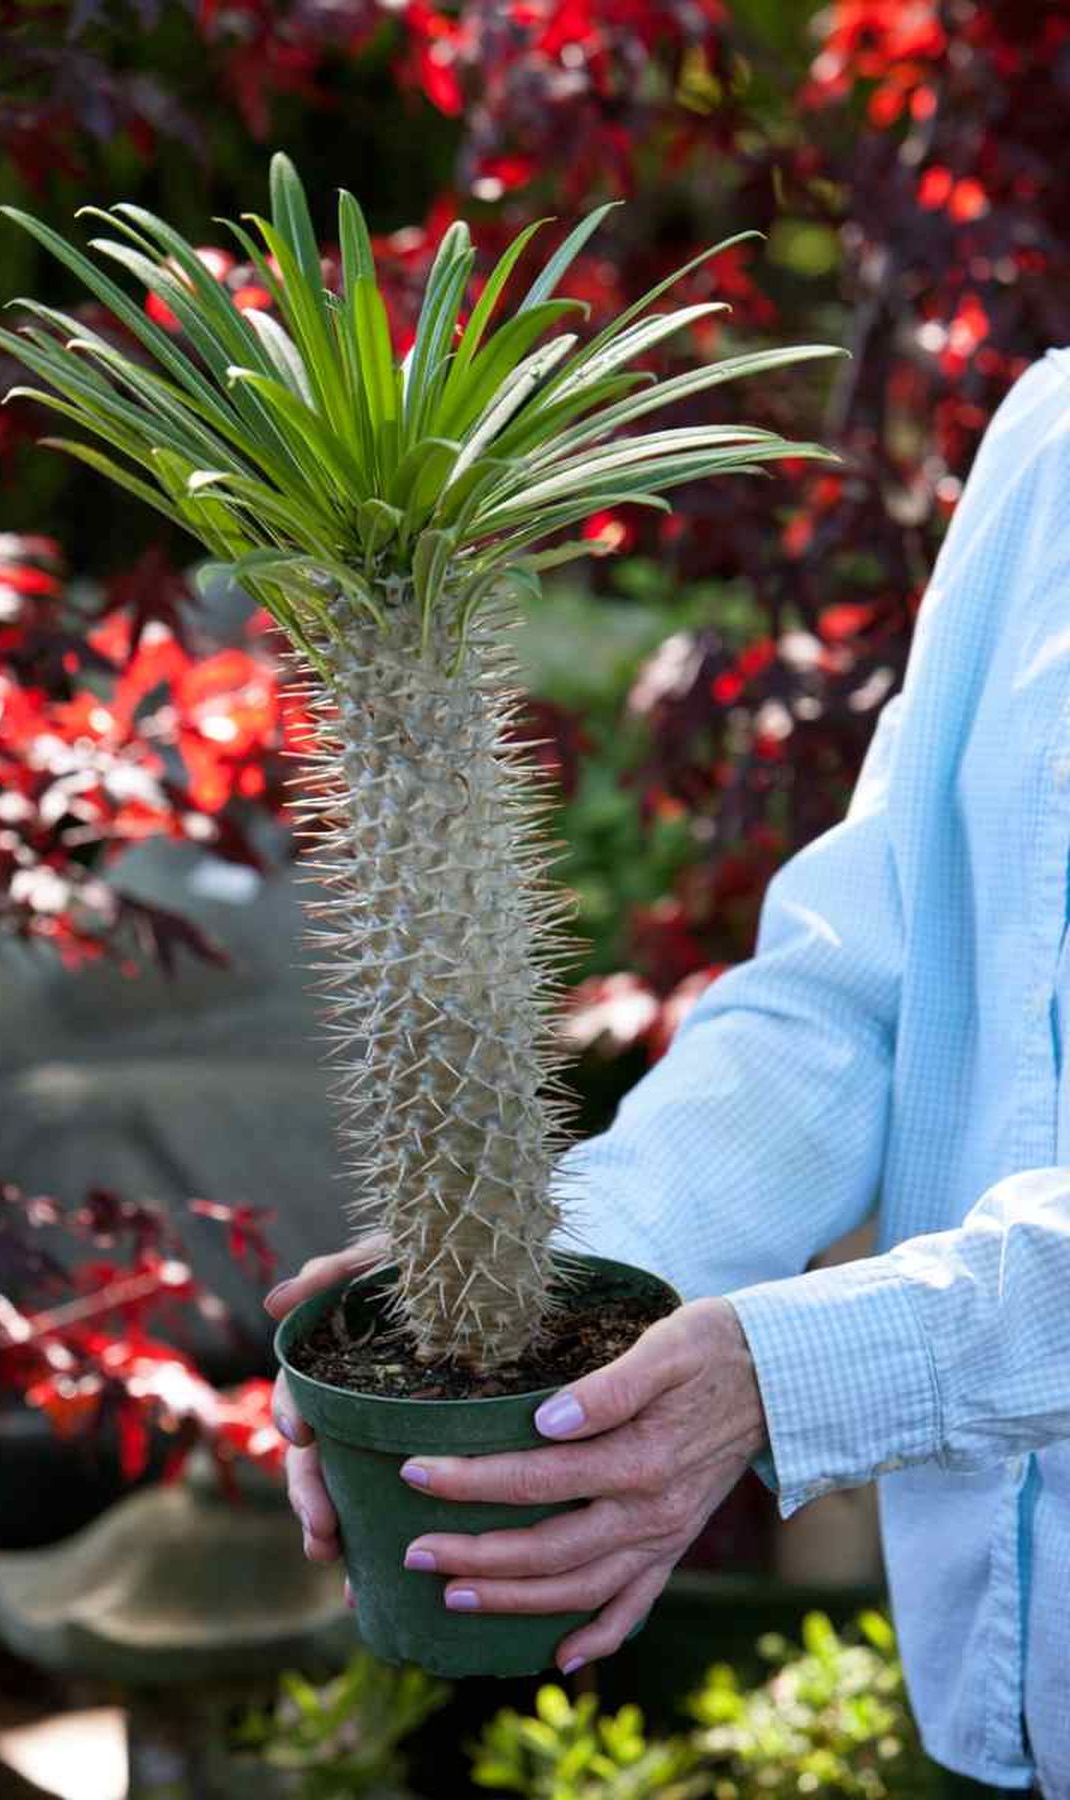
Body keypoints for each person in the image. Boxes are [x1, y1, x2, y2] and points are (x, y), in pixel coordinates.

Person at [266, 349, 1070, 1799]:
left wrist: (788, 1373)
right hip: (1000, 1693)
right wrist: (548, 1268)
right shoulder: (1055, 432)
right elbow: (859, 988)